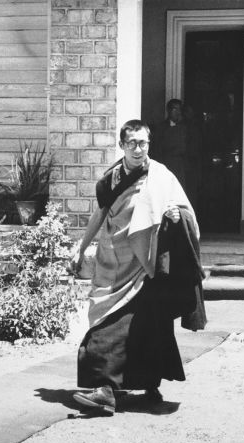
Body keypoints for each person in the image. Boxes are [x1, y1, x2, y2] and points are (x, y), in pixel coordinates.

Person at [70, 119, 207, 415]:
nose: (137, 148)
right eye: (131, 143)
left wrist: (174, 215)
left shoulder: (161, 176)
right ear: (121, 145)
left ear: (149, 144)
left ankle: (122, 389)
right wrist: (81, 248)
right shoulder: (110, 180)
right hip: (112, 262)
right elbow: (100, 214)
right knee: (103, 318)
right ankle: (109, 390)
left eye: (143, 143)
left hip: (145, 264)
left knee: (146, 327)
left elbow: (187, 216)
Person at [156, 99, 202, 207]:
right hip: (167, 166)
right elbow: (157, 150)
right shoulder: (161, 128)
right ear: (168, 111)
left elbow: (194, 149)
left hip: (184, 168)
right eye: (174, 109)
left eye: (179, 109)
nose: (178, 112)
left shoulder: (188, 128)